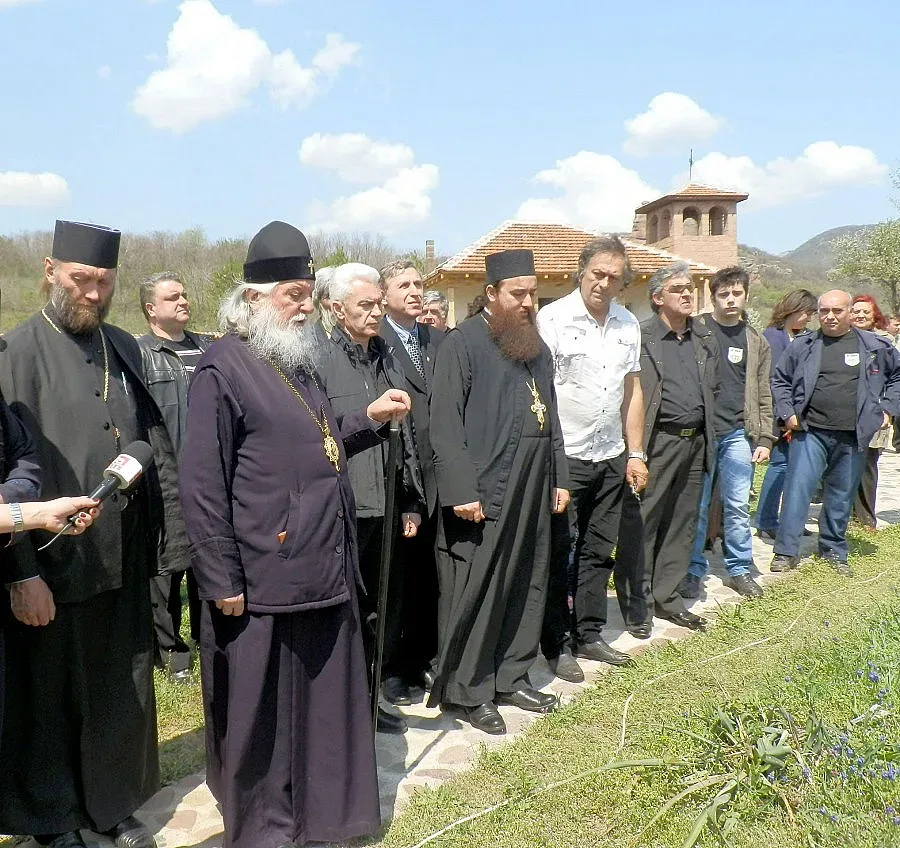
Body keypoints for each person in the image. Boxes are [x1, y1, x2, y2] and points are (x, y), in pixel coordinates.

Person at [179, 221, 411, 848]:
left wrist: (368, 418)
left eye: (309, 292)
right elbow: (202, 484)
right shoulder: (221, 369)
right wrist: (219, 576)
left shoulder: (294, 360)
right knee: (264, 722)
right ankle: (267, 830)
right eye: (292, 294)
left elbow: (320, 433)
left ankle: (325, 820)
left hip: (322, 565)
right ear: (253, 297)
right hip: (261, 578)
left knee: (319, 713)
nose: (306, 306)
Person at [0, 220, 185, 848]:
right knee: (50, 697)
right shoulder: (15, 353)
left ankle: (113, 804)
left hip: (121, 552)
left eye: (103, 283)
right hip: (49, 561)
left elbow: (147, 435)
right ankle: (53, 819)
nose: (93, 293)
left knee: (118, 686)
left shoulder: (122, 347)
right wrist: (22, 573)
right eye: (81, 279)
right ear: (51, 271)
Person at [428, 248, 570, 735]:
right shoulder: (461, 344)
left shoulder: (535, 346)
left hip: (534, 485)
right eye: (519, 293)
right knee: (482, 588)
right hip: (486, 489)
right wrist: (461, 489)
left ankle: (512, 674)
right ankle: (470, 690)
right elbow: (443, 425)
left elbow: (550, 417)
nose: (529, 302)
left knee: (526, 579)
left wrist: (561, 477)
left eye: (533, 293)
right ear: (490, 293)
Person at [318, 262, 423, 736]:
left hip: (387, 503)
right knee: (346, 612)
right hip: (343, 508)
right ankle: (337, 706)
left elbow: (408, 436)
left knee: (382, 609)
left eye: (380, 302)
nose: (377, 311)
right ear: (336, 308)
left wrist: (410, 500)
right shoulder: (316, 358)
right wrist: (368, 413)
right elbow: (316, 434)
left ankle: (368, 696)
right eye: (367, 304)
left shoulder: (385, 355)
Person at [536, 235, 647, 683]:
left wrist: (635, 452)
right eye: (597, 273)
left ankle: (589, 632)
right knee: (561, 550)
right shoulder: (554, 319)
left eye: (613, 277)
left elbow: (632, 392)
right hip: (568, 455)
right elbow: (540, 391)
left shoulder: (627, 324)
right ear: (581, 271)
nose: (604, 283)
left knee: (599, 549)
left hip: (610, 454)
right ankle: (556, 642)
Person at [614, 262, 718, 634]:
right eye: (678, 289)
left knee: (681, 522)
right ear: (658, 298)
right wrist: (634, 450)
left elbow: (713, 390)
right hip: (657, 443)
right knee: (642, 524)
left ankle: (668, 598)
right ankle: (636, 604)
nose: (687, 293)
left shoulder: (704, 339)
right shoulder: (641, 337)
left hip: (696, 443)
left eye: (689, 288)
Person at [770, 290, 900, 575]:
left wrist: (888, 409)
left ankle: (833, 550)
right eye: (824, 311)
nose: (829, 316)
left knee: (841, 494)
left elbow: (896, 377)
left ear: (850, 312)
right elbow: (779, 379)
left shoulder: (875, 346)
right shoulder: (804, 345)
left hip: (853, 434)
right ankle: (785, 551)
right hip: (811, 431)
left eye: (837, 311)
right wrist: (788, 412)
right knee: (797, 490)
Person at [138, 271, 212, 681]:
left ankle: (208, 637)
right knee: (168, 568)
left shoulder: (207, 348)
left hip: (211, 478)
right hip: (167, 476)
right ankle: (171, 650)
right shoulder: (140, 355)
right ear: (152, 309)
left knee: (209, 560)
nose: (183, 301)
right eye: (173, 297)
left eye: (184, 294)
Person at [682, 267, 774, 599]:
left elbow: (764, 391)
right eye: (724, 294)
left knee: (737, 504)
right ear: (713, 296)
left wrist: (765, 437)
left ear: (745, 295)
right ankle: (692, 569)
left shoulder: (756, 340)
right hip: (701, 432)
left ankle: (739, 568)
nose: (731, 299)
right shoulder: (696, 330)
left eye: (736, 293)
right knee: (698, 504)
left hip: (738, 432)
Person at [378, 260, 443, 704]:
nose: (415, 291)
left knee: (429, 575)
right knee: (397, 578)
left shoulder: (438, 341)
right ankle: (392, 669)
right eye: (404, 285)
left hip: (439, 472)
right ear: (384, 295)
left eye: (419, 283)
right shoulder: (375, 345)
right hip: (400, 475)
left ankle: (424, 657)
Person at [754, 289, 817, 541]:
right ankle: (766, 519)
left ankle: (791, 520)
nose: (808, 319)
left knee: (799, 470)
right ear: (793, 309)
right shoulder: (772, 338)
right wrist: (784, 413)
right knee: (779, 467)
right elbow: (772, 380)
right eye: (806, 313)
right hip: (779, 414)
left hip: (802, 415)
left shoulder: (806, 338)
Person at [849, 294, 894, 530]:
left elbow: (894, 379)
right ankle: (843, 514)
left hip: (874, 411)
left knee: (867, 464)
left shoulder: (884, 344)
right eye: (856, 311)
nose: (860, 315)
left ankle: (865, 518)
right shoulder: (841, 340)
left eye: (865, 311)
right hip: (844, 412)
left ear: (874, 315)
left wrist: (888, 409)